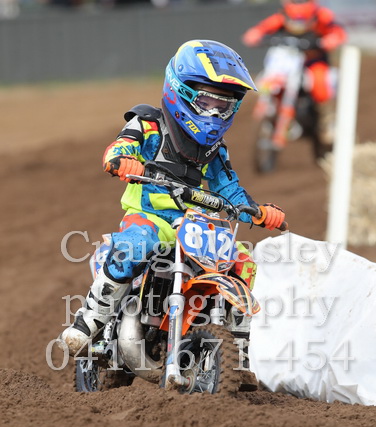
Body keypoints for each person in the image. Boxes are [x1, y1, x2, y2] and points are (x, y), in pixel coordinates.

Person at [59, 39, 286, 356]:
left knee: (242, 263)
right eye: (207, 102)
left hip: (195, 224)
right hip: (151, 217)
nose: (215, 112)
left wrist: (258, 212)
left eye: (224, 106)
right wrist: (122, 160)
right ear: (180, 91)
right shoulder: (148, 125)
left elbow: (229, 188)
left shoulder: (215, 150)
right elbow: (120, 148)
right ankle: (89, 320)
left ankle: (241, 352)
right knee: (134, 246)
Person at [242, 0, 347, 144]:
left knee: (320, 83)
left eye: (303, 21)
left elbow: (338, 33)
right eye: (293, 21)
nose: (298, 26)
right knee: (272, 78)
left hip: (313, 59)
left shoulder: (323, 16)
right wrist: (255, 35)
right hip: (288, 60)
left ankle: (327, 121)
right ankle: (273, 112)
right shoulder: (280, 17)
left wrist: (328, 41)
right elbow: (258, 30)